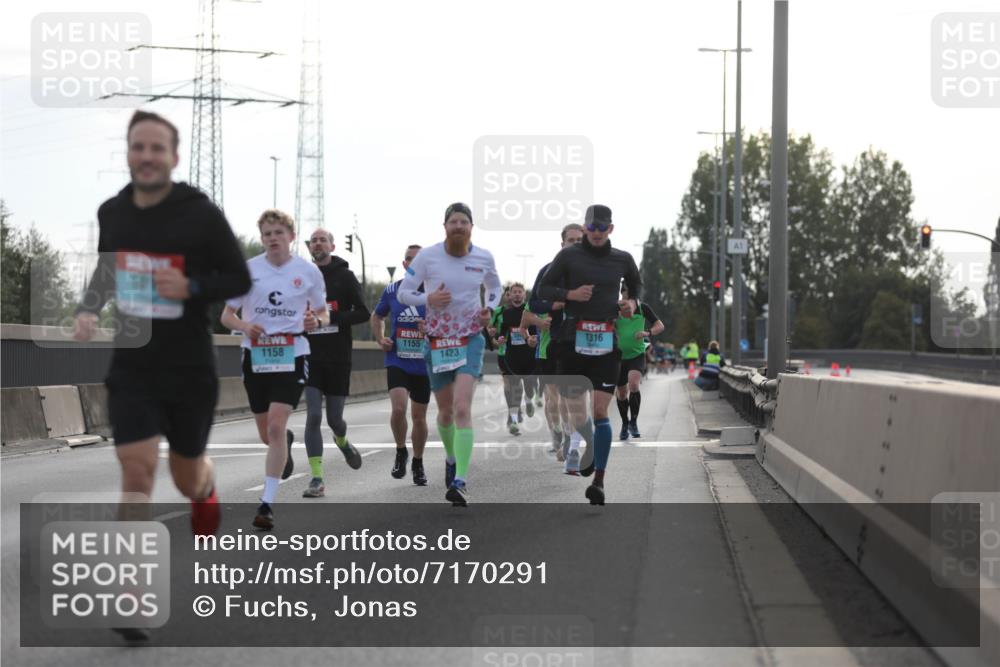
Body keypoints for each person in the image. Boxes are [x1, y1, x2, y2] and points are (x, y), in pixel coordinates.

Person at [73, 111, 252, 642]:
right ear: (128, 154)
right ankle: (131, 592)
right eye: (138, 147)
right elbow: (110, 269)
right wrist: (88, 308)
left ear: (173, 157)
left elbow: (237, 275)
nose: (147, 156)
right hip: (132, 365)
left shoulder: (198, 213)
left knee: (184, 474)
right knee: (136, 471)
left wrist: (192, 287)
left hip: (188, 368)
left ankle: (206, 485)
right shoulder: (113, 212)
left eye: (157, 148)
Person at [221, 209, 328, 530]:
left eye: (278, 233)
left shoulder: (307, 272)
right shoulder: (248, 270)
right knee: (267, 432)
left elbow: (323, 314)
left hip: (292, 352)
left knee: (276, 426)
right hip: (256, 356)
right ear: (262, 239)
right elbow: (226, 315)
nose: (272, 239)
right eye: (267, 234)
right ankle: (283, 443)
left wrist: (315, 321)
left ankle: (266, 504)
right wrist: (244, 325)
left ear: (291, 237)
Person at [398, 202, 501, 507]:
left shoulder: (484, 256)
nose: (458, 226)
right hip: (437, 340)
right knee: (444, 413)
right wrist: (428, 298)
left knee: (461, 408)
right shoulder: (428, 256)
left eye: (464, 222)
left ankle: (461, 481)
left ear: (471, 228)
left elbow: (494, 287)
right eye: (453, 222)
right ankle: (451, 456)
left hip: (469, 337)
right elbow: (405, 292)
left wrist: (490, 310)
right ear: (444, 227)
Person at [538, 205, 641, 505]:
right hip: (572, 342)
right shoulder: (568, 257)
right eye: (592, 228)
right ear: (585, 229)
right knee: (580, 414)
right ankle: (589, 445)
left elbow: (635, 287)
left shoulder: (623, 259)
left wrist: (631, 303)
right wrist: (570, 295)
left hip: (607, 344)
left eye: (602, 227)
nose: (596, 233)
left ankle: (599, 480)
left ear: (611, 229)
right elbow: (544, 290)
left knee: (599, 412)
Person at [295, 229, 368, 498]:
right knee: (313, 415)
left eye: (322, 240)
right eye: (313, 240)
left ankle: (343, 441)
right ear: (309, 247)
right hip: (309, 355)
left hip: (338, 357)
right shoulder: (300, 278)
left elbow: (363, 313)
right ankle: (317, 478)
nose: (317, 244)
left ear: (332, 246)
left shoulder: (345, 277)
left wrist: (329, 318)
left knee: (334, 419)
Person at [371, 245, 430, 485]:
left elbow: (450, 321)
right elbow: (377, 316)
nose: (414, 263)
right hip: (397, 359)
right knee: (398, 409)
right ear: (404, 265)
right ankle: (400, 450)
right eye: (410, 260)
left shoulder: (435, 293)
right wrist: (380, 338)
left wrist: (432, 330)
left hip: (424, 363)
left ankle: (417, 462)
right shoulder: (392, 290)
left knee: (419, 417)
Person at [527, 223, 584, 465]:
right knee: (554, 399)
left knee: (574, 397)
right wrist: (555, 306)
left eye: (580, 241)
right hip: (551, 341)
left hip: (579, 340)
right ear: (562, 244)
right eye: (571, 240)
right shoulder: (548, 271)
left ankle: (572, 441)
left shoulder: (592, 273)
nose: (576, 244)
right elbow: (534, 304)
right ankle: (558, 436)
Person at [614, 291, 664, 440]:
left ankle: (633, 423)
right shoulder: (615, 307)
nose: (627, 300)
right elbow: (605, 323)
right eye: (624, 296)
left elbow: (659, 325)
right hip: (617, 356)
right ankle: (625, 423)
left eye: (629, 297)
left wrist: (647, 332)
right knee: (622, 393)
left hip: (636, 354)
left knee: (634, 385)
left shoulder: (643, 308)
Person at [495, 283, 539, 435]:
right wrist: (500, 338)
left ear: (524, 295)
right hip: (512, 356)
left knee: (529, 387)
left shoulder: (530, 312)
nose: (517, 294)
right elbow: (502, 333)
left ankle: (528, 401)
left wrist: (532, 340)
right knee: (514, 389)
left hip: (529, 356)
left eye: (520, 292)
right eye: (514, 292)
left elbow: (535, 331)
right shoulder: (506, 314)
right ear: (510, 295)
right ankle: (513, 421)